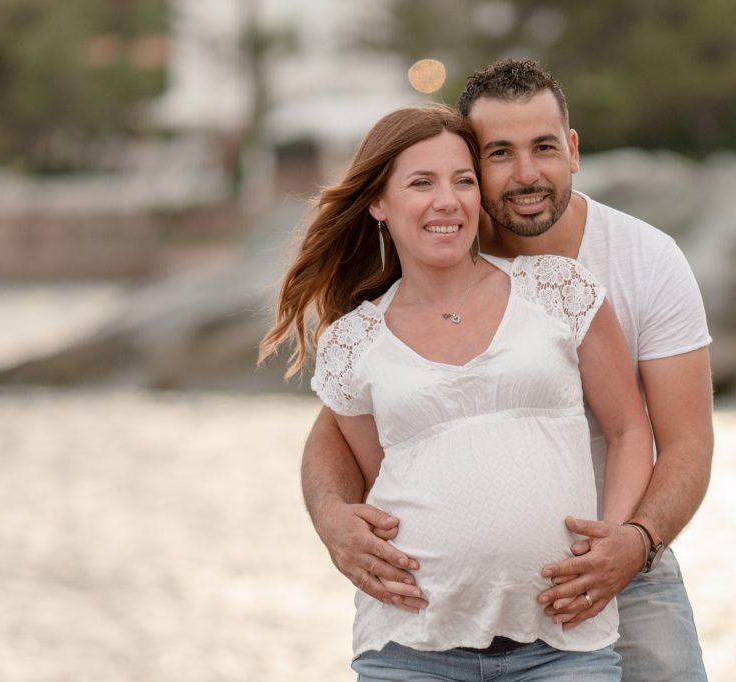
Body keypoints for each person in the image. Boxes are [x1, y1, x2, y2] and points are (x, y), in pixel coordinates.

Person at [302, 60, 714, 681]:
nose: (526, 174)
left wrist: (632, 543)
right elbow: (343, 425)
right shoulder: (439, 242)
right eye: (499, 153)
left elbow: (683, 441)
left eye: (543, 147)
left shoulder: (643, 260)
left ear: (573, 151)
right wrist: (333, 518)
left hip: (629, 556)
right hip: (436, 622)